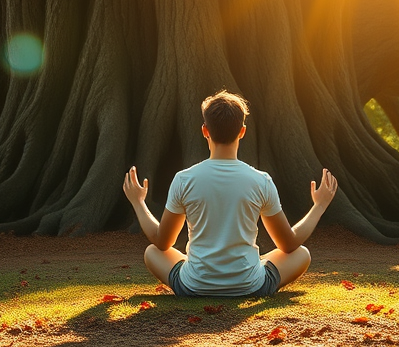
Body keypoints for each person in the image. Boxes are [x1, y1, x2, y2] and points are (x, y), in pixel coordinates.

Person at [122, 90, 338, 297]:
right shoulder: (261, 180)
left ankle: (215, 275)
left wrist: (138, 202)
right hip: (250, 286)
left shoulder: (183, 179)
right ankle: (246, 269)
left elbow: (162, 242)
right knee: (302, 254)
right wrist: (319, 205)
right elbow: (289, 244)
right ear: (242, 131)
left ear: (205, 130)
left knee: (152, 252)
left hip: (194, 286)